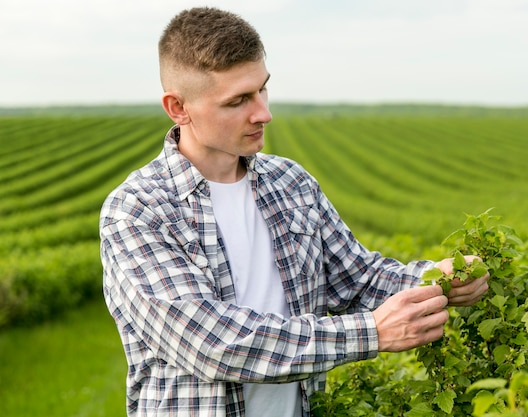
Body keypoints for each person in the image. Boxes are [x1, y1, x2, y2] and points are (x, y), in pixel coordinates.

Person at [99, 7, 489, 417]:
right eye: (238, 101)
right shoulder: (139, 211)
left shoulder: (291, 183)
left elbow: (358, 280)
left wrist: (440, 281)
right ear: (178, 108)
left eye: (262, 90)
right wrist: (370, 332)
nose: (263, 113)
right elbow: (212, 343)